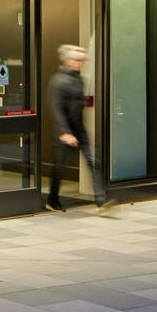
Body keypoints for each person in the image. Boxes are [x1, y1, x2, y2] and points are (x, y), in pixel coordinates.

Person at [45, 43, 108, 212]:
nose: (80, 63)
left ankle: (101, 200)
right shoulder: (57, 81)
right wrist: (64, 132)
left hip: (79, 129)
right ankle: (52, 199)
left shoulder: (78, 78)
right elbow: (55, 109)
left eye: (82, 60)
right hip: (65, 131)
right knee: (60, 166)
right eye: (77, 60)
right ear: (66, 61)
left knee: (92, 161)